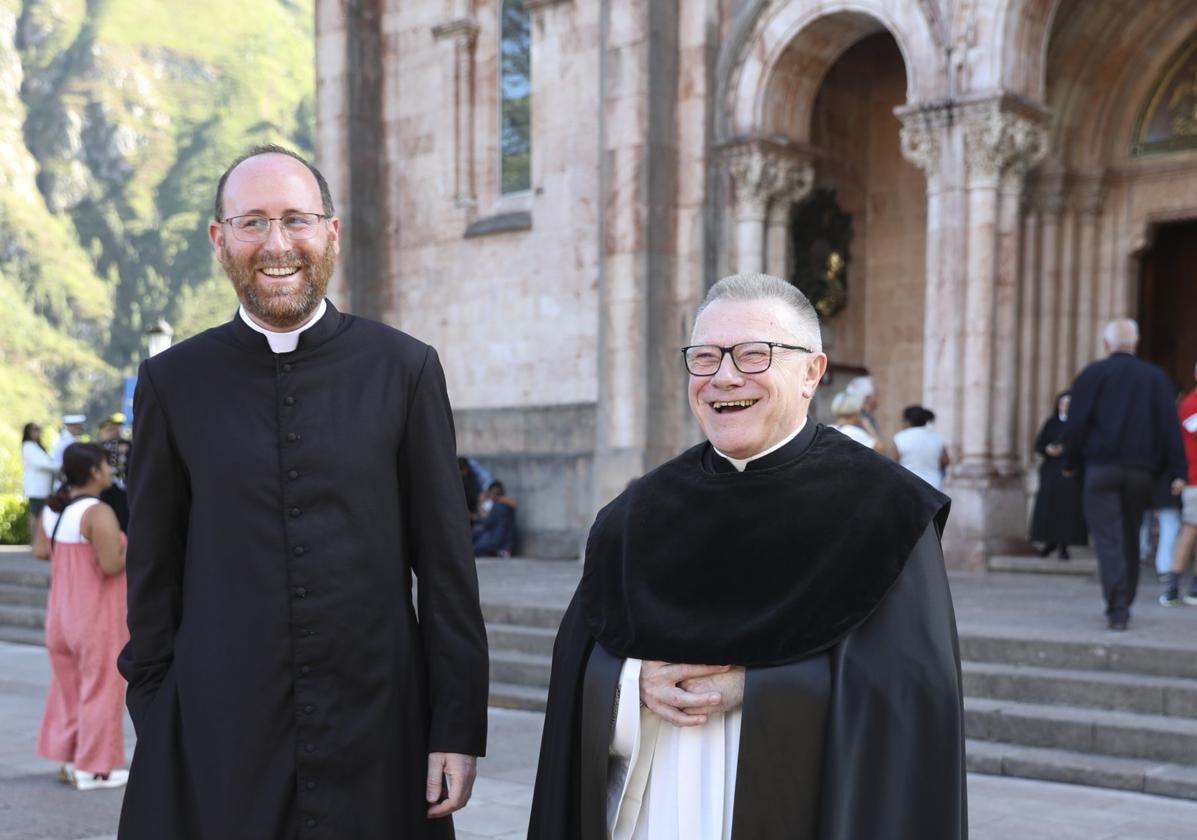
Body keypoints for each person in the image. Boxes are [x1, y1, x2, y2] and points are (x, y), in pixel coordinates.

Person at [116, 145, 489, 839]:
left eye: (296, 219)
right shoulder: (173, 382)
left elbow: (445, 569)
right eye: (252, 222)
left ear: (332, 232)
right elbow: (153, 574)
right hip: (218, 736)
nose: (277, 244)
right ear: (219, 239)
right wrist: (160, 711)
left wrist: (456, 727)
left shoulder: (404, 370)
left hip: (380, 729)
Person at [528, 274, 965, 840]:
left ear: (812, 371)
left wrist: (756, 689)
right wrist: (629, 684)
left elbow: (909, 700)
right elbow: (579, 666)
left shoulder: (887, 510)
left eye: (754, 355)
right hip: (650, 809)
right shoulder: (635, 513)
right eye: (705, 357)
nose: (724, 377)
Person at [1062, 318, 1186, 630]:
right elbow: (1170, 428)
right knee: (1130, 535)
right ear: (1136, 343)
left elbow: (1077, 423)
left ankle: (1118, 607)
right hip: (1140, 472)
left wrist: (1069, 460)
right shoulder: (1156, 378)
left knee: (1108, 539)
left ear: (1106, 344)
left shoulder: (1093, 374)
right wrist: (1176, 470)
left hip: (1101, 470)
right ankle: (1124, 600)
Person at [31, 443, 128, 791]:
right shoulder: (97, 512)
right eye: (106, 464)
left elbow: (42, 551)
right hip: (95, 617)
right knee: (102, 688)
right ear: (93, 472)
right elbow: (111, 565)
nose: (110, 470)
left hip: (60, 615)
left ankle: (71, 760)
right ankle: (96, 768)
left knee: (68, 690)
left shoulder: (54, 510)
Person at [1028, 392, 1087, 559]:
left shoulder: (1078, 424)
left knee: (1067, 509)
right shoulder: (1051, 423)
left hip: (1070, 471)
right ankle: (1049, 542)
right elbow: (1039, 445)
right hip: (1051, 470)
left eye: (1069, 404)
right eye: (1063, 403)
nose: (1065, 407)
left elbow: (1083, 447)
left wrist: (1067, 452)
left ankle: (1064, 545)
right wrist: (1048, 449)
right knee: (1049, 507)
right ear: (1058, 405)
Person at [1161, 360, 1197, 607]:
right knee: (1190, 528)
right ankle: (1173, 585)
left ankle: (1194, 587)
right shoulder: (1191, 403)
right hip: (1195, 478)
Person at [892, 404, 949, 490]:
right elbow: (946, 461)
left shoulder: (900, 438)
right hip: (934, 487)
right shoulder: (936, 437)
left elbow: (893, 463)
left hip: (909, 486)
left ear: (908, 421)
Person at [21, 422, 58, 534]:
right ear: (28, 432)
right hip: (36, 489)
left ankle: (39, 540)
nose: (37, 432)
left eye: (38, 429)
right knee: (36, 514)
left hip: (43, 488)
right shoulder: (28, 446)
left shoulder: (37, 446)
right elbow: (42, 464)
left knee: (41, 514)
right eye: (34, 429)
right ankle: (35, 540)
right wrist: (60, 466)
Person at [97, 413, 131, 533]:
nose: (114, 432)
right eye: (110, 429)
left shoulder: (127, 444)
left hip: (124, 485)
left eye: (116, 428)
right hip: (105, 486)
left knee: (123, 513)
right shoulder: (99, 447)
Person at [472, 481, 517, 557]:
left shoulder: (498, 506)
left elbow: (485, 522)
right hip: (501, 542)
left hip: (497, 542)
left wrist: (480, 503)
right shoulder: (506, 504)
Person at [844, 374, 881, 442]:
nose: (878, 397)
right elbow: (879, 448)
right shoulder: (859, 420)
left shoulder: (867, 417)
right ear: (867, 397)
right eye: (875, 393)